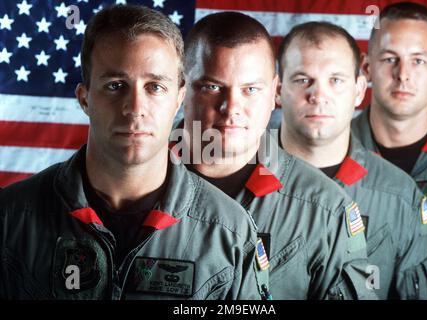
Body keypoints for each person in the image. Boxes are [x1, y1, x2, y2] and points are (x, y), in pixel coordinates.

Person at [0, 5, 261, 300]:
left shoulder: (230, 232)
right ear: (85, 99)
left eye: (155, 87)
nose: (135, 108)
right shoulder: (11, 218)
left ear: (178, 98)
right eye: (116, 86)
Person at [174, 11, 377, 299]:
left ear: (274, 93)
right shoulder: (127, 183)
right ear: (181, 88)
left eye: (250, 89)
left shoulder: (324, 212)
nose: (231, 108)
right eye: (212, 87)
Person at [276, 21, 427, 299]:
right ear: (278, 89)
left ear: (358, 90)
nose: (318, 96)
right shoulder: (237, 178)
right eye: (302, 79)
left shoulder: (399, 197)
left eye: (335, 80)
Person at [351, 1, 427, 295]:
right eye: (390, 59)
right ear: (367, 67)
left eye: (418, 60)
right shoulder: (330, 160)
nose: (403, 74)